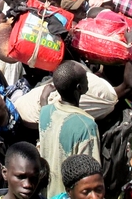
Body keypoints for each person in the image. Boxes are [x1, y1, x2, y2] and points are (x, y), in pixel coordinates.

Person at [39, 61, 100, 198]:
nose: (88, 80)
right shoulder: (86, 125)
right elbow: (90, 174)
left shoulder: (45, 112)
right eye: (86, 78)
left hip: (46, 192)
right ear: (79, 88)